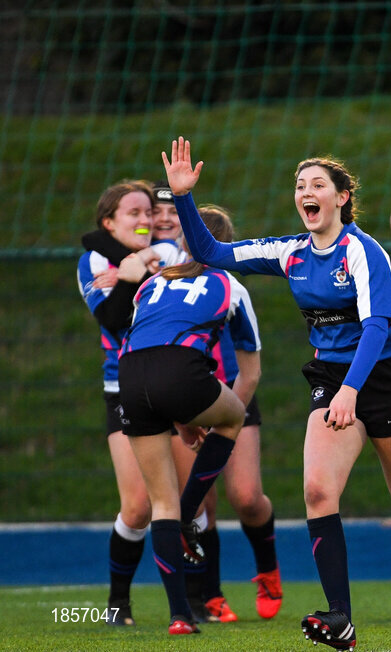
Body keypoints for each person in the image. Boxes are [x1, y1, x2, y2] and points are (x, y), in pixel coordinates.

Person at [163, 137, 391, 649]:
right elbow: (209, 252)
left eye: (317, 185)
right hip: (333, 381)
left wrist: (353, 390)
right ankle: (341, 618)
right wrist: (183, 196)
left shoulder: (363, 250)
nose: (306, 193)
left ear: (341, 198)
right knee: (317, 491)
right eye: (299, 186)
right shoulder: (290, 252)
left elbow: (378, 324)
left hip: (387, 379)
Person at [117, 210, 258, 634]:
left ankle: (179, 616)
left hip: (128, 376)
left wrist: (183, 417)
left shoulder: (151, 284)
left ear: (182, 243)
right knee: (235, 417)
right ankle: (189, 509)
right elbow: (249, 375)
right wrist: (215, 417)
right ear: (225, 248)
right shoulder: (230, 284)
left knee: (159, 501)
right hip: (181, 372)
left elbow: (150, 347)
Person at [163, 202, 283, 623]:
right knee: (199, 503)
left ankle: (268, 568)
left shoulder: (230, 287)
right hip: (187, 401)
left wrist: (229, 408)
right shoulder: (166, 283)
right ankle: (209, 594)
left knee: (247, 497)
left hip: (234, 398)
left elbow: (250, 362)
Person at [77, 180, 183, 626]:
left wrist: (139, 261)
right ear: (108, 222)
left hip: (173, 384)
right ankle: (118, 602)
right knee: (138, 506)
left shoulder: (169, 252)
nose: (146, 221)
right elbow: (114, 318)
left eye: (149, 213)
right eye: (133, 214)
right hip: (122, 389)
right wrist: (132, 271)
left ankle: (195, 599)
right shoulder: (93, 261)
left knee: (184, 499)